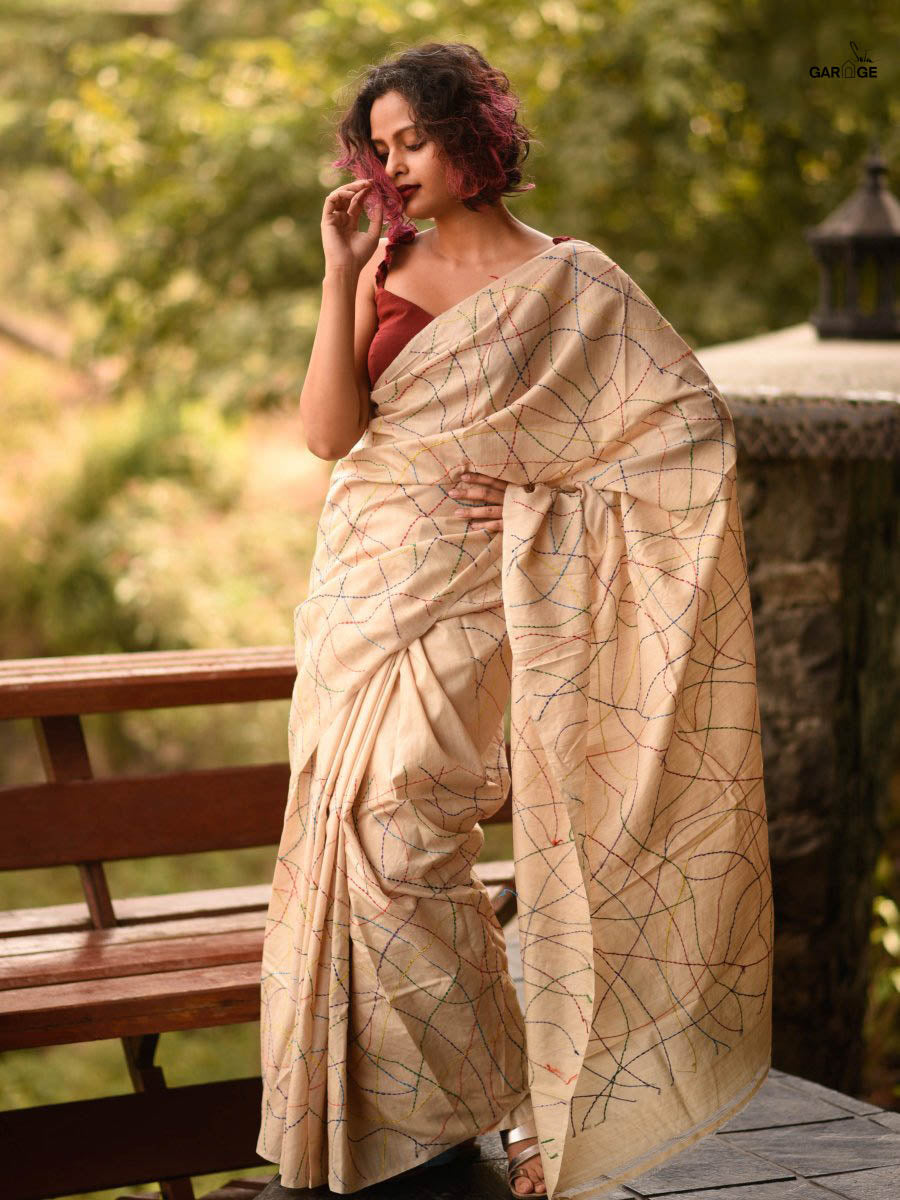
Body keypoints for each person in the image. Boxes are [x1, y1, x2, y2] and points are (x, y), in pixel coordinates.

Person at [256, 41, 773, 1200]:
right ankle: (442, 1128)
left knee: (405, 822)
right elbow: (331, 435)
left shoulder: (576, 282)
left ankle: (506, 1112)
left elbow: (686, 437)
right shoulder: (384, 263)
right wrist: (339, 276)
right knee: (357, 838)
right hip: (365, 578)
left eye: (414, 141)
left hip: (484, 586)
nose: (395, 165)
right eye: (379, 148)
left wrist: (546, 501)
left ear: (472, 138)